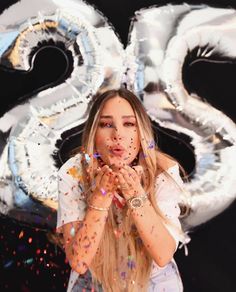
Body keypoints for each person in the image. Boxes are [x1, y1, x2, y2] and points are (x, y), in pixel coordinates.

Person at [56, 88, 189, 292]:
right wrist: (101, 198)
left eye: (129, 124)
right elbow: (79, 261)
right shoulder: (74, 173)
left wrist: (135, 195)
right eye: (106, 124)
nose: (118, 134)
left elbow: (163, 254)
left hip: (153, 282)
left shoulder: (163, 172)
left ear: (141, 132)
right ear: (94, 132)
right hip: (93, 282)